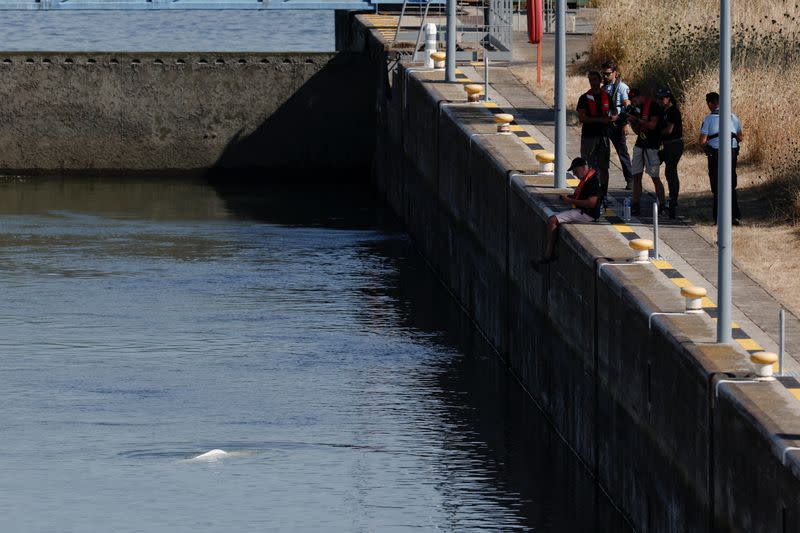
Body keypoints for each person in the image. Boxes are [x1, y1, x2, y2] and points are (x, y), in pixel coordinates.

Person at [534, 157, 601, 266]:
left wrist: (570, 200)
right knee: (555, 218)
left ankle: (548, 255)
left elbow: (591, 203)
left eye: (575, 170)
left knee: (552, 220)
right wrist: (568, 198)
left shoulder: (592, 181)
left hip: (587, 214)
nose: (574, 173)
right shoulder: (588, 179)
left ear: (583, 168)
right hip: (583, 211)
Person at [699, 91, 742, 225]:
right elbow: (741, 137)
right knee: (731, 183)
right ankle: (734, 216)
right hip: (732, 152)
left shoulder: (708, 119)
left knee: (717, 185)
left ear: (711, 104)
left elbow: (702, 141)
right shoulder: (733, 117)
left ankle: (718, 217)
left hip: (716, 153)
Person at [576, 70, 616, 201]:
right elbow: (582, 118)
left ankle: (603, 194)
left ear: (600, 81)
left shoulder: (607, 96)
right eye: (590, 80)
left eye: (595, 80)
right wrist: (600, 120)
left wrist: (612, 118)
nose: (593, 82)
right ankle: (586, 192)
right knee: (586, 166)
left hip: (603, 137)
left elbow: (614, 112)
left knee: (604, 167)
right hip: (588, 137)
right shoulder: (584, 98)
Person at [627, 88, 666, 216]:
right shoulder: (637, 108)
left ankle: (662, 204)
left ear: (640, 96)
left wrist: (635, 118)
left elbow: (652, 125)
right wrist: (632, 121)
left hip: (652, 146)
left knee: (655, 177)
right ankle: (636, 204)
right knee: (636, 176)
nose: (634, 103)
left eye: (634, 100)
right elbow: (638, 130)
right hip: (640, 144)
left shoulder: (653, 106)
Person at [602, 61, 635, 190]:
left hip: (618, 124)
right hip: (606, 124)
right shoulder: (603, 88)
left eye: (608, 74)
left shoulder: (622, 87)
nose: (605, 76)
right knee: (603, 153)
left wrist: (625, 123)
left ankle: (630, 179)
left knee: (622, 153)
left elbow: (627, 106)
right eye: (603, 74)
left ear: (615, 73)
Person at [657, 87, 683, 219]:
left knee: (671, 171)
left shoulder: (673, 111)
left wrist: (657, 133)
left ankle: (673, 198)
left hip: (674, 144)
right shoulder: (663, 110)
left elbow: (669, 130)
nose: (660, 101)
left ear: (669, 98)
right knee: (666, 170)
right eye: (659, 98)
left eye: (662, 98)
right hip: (666, 145)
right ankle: (670, 197)